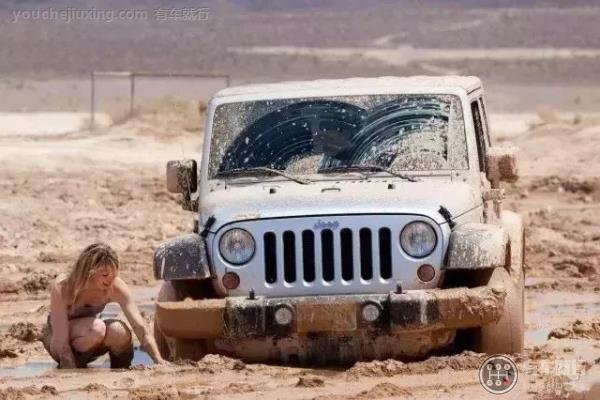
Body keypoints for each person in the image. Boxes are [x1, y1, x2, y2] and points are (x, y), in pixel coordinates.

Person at [42, 243, 165, 368]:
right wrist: (72, 374)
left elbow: (140, 328)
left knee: (119, 331)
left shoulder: (116, 287)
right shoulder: (64, 288)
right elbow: (61, 341)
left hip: (91, 338)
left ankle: (122, 369)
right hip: (58, 339)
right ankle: (76, 366)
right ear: (88, 272)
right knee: (96, 328)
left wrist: (159, 361)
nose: (110, 280)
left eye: (114, 275)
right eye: (105, 275)